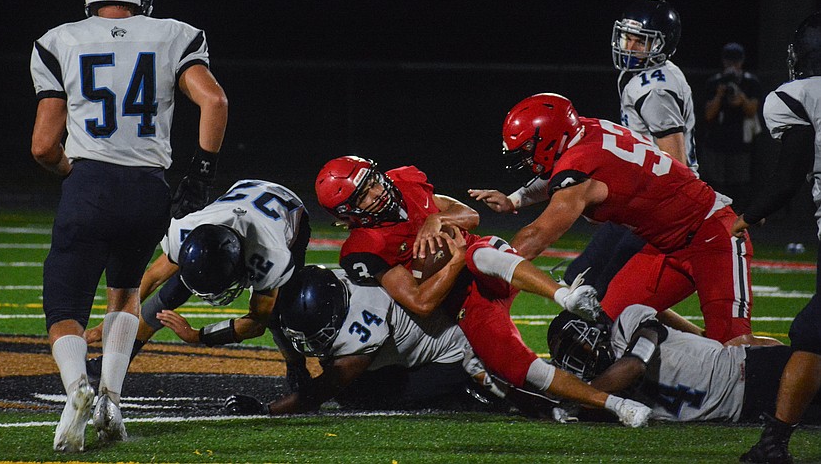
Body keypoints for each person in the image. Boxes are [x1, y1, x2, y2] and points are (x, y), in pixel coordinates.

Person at [30, 0, 228, 452]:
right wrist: (200, 174)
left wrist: (72, 172)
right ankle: (111, 400)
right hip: (148, 189)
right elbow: (214, 100)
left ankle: (77, 389)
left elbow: (42, 145)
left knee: (65, 302)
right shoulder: (174, 34)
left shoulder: (58, 41)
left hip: (89, 182)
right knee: (126, 294)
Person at [312, 155, 653, 427]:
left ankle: (566, 295)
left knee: (482, 252)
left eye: (372, 181)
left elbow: (469, 215)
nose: (377, 192)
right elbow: (421, 302)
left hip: (487, 266)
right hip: (463, 302)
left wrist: (438, 221)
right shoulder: (363, 248)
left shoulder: (404, 181)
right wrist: (455, 260)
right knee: (516, 368)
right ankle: (617, 406)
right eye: (365, 195)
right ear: (349, 213)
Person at [485, 93, 776, 347]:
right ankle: (697, 347)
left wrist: (488, 268)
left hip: (713, 233)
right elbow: (560, 178)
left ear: (550, 138)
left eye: (527, 149)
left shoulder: (580, 168)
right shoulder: (586, 129)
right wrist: (516, 199)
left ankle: (802, 370)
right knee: (610, 325)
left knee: (734, 345)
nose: (525, 158)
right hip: (664, 246)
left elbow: (537, 235)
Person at [472, 0, 699, 302]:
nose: (629, 47)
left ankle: (647, 339)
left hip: (656, 201)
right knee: (584, 281)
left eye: (640, 42)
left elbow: (675, 163)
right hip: (640, 190)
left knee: (602, 295)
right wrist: (516, 199)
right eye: (626, 38)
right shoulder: (640, 81)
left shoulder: (653, 88)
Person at [84, 179, 312, 392]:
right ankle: (114, 362)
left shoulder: (269, 256)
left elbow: (256, 323)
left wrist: (198, 336)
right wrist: (113, 320)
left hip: (291, 212)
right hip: (235, 208)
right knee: (172, 292)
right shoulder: (186, 230)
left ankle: (296, 366)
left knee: (278, 312)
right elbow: (152, 278)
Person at [220, 265, 493, 415]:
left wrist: (265, 410)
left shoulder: (363, 331)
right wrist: (295, 365)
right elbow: (276, 320)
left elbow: (318, 393)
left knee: (356, 395)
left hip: (448, 359)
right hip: (406, 348)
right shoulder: (334, 284)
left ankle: (459, 392)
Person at [731, 12, 821, 464]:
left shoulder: (798, 95)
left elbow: (789, 174)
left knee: (812, 333)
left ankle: (773, 445)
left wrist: (748, 216)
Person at [545, 305, 815, 424]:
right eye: (571, 354)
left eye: (580, 342)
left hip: (754, 372)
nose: (584, 352)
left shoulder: (629, 322)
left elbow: (634, 365)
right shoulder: (599, 395)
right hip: (746, 410)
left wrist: (580, 396)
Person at [700, 42, 763, 211]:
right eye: (729, 61)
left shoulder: (750, 82)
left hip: (740, 143)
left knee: (740, 187)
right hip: (716, 142)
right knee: (715, 185)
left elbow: (752, 111)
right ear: (723, 61)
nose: (732, 65)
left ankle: (738, 222)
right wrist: (720, 95)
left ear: (741, 62)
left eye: (735, 61)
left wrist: (741, 97)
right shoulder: (715, 82)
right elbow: (708, 115)